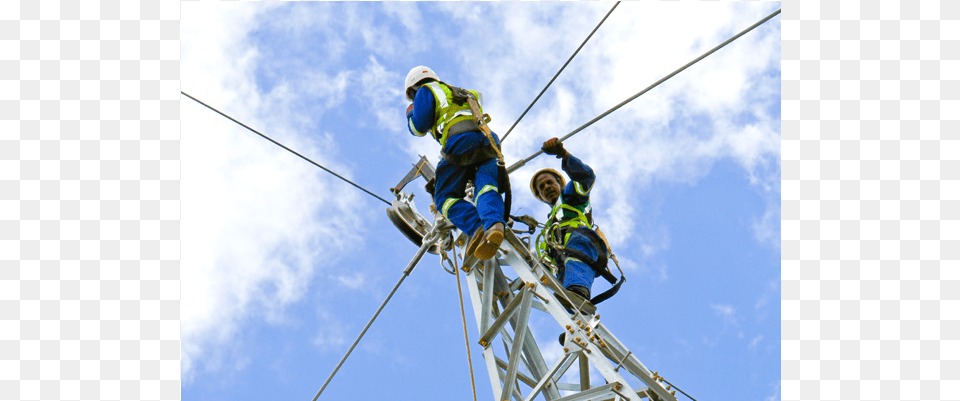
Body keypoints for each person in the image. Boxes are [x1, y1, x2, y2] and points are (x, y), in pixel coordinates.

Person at [405, 66, 506, 260]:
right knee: (486, 186)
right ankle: (493, 226)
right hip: (488, 140)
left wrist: (411, 113)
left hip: (459, 140)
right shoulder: (464, 92)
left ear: (413, 88)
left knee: (444, 198)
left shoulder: (427, 91)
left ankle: (476, 226)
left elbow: (419, 126)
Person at [530, 138, 618, 315]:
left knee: (574, 277)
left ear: (560, 184)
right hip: (564, 260)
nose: (546, 187)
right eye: (541, 187)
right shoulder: (548, 227)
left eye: (549, 182)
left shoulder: (570, 195)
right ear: (540, 196)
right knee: (561, 291)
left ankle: (577, 293)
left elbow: (586, 177)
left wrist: (563, 155)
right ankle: (578, 322)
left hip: (581, 243)